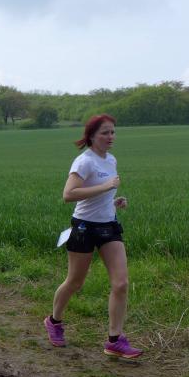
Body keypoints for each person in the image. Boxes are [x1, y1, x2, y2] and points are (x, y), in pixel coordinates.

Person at [44, 114, 143, 359]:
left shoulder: (111, 159)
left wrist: (114, 201)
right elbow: (68, 194)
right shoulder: (84, 161)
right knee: (75, 282)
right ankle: (54, 321)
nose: (111, 137)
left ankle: (114, 340)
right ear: (92, 136)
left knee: (121, 283)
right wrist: (106, 187)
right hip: (84, 227)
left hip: (109, 226)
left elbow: (101, 194)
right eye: (105, 133)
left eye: (113, 132)